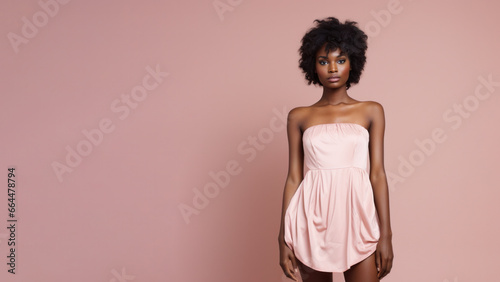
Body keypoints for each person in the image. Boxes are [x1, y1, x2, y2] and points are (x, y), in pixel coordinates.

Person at [277, 17, 394, 282]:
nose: (332, 68)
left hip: (357, 217)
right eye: (323, 61)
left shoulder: (371, 111)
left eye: (340, 60)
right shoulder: (299, 116)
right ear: (313, 66)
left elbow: (377, 174)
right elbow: (294, 178)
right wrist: (282, 237)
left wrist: (385, 235)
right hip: (310, 220)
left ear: (352, 63)